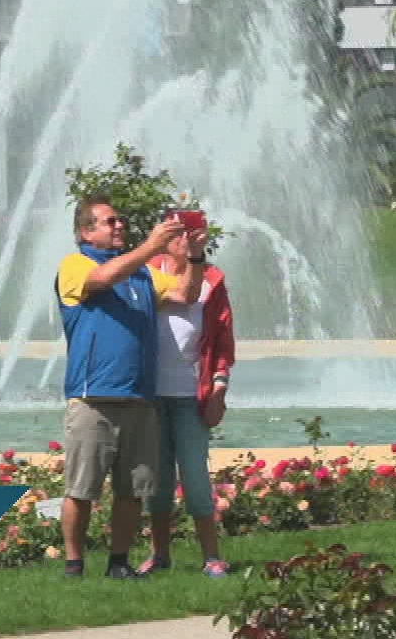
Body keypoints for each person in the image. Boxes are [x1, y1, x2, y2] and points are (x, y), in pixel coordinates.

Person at [56, 195, 183, 580]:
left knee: (131, 490)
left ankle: (119, 563)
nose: (119, 226)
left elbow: (183, 293)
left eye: (121, 221)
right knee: (82, 488)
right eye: (110, 222)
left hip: (138, 397)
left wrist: (189, 255)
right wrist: (151, 246)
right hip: (94, 397)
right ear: (85, 231)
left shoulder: (143, 275)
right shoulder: (75, 265)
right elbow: (102, 279)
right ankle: (74, 564)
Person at [138, 213, 236, 578]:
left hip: (190, 396)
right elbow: (175, 297)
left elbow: (223, 338)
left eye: (193, 234)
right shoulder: (146, 272)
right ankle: (159, 555)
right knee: (157, 480)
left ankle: (212, 556)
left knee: (195, 475)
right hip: (151, 395)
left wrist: (220, 386)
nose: (185, 240)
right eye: (179, 234)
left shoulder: (213, 280)